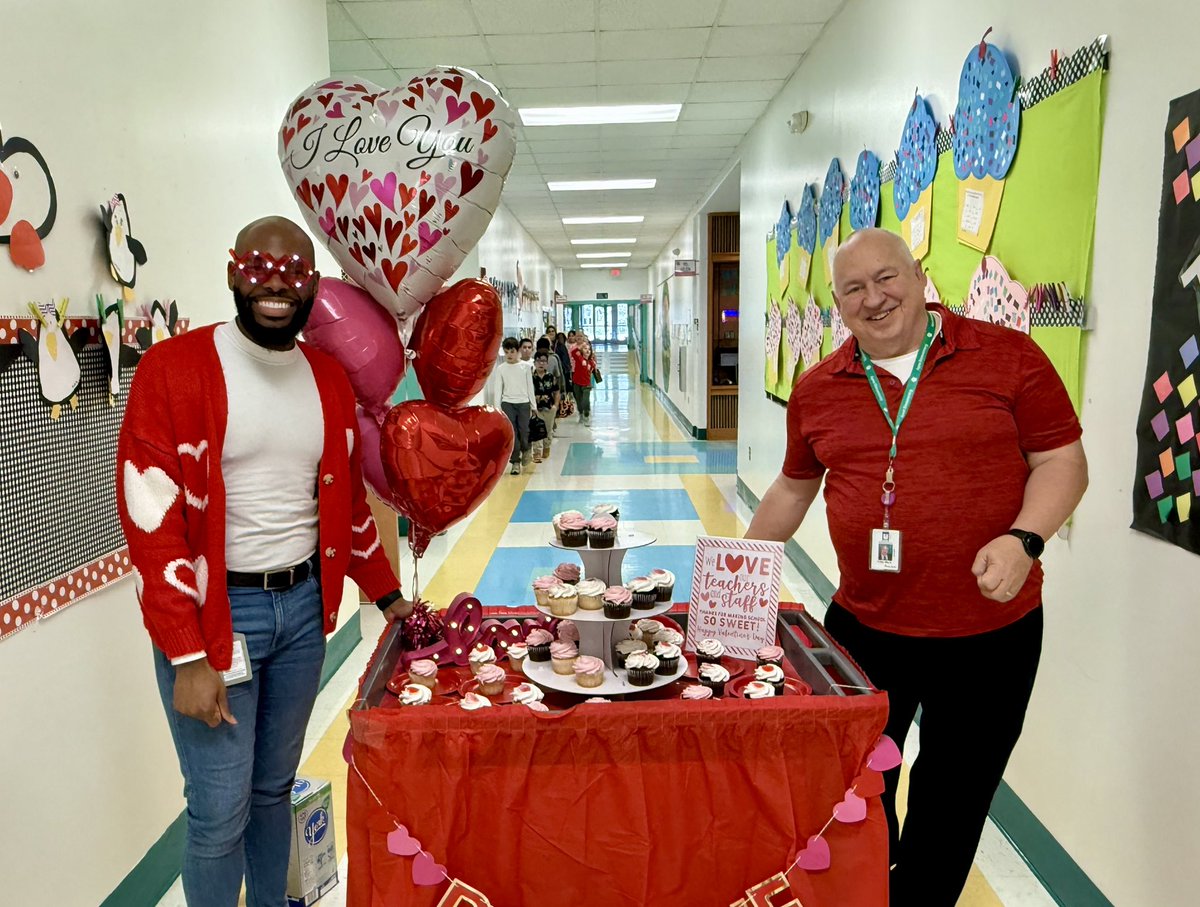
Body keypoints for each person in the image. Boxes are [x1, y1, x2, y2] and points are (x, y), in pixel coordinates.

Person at [745, 228, 1088, 907]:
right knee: (851, 792)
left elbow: (1062, 462)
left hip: (991, 633)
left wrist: (1025, 538)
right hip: (864, 631)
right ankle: (871, 888)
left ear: (919, 275)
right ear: (838, 305)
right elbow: (791, 488)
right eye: (854, 289)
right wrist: (736, 578)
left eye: (887, 278)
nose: (874, 298)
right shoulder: (819, 388)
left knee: (952, 803)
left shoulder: (1008, 357)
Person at [116, 216, 413, 907]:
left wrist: (388, 593)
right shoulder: (176, 369)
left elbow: (345, 509)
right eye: (258, 267)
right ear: (232, 272)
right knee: (219, 808)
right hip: (220, 617)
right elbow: (149, 521)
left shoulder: (328, 380)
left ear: (312, 286)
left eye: (292, 273)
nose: (274, 283)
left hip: (304, 613)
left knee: (274, 789)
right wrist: (187, 653)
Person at [496, 336, 537, 474]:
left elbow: (530, 387)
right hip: (507, 403)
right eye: (506, 352)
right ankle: (515, 462)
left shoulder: (525, 367)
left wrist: (534, 406)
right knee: (512, 433)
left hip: (524, 403)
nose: (509, 355)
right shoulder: (501, 368)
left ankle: (526, 449)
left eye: (512, 351)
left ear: (518, 351)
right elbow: (498, 389)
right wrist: (497, 409)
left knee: (524, 431)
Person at [532, 351, 560, 462]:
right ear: (534, 363)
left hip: (549, 408)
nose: (541, 363)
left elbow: (556, 392)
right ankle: (537, 452)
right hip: (535, 408)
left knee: (548, 430)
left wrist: (555, 406)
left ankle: (546, 447)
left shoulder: (550, 377)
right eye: (538, 361)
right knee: (536, 429)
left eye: (543, 361)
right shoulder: (530, 377)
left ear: (547, 364)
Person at [570, 336, 597, 426]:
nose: (587, 350)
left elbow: (593, 370)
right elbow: (573, 352)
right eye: (585, 348)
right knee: (578, 400)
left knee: (586, 400)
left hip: (586, 384)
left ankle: (586, 414)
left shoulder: (591, 362)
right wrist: (579, 347)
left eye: (589, 349)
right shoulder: (579, 358)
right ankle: (581, 413)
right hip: (577, 382)